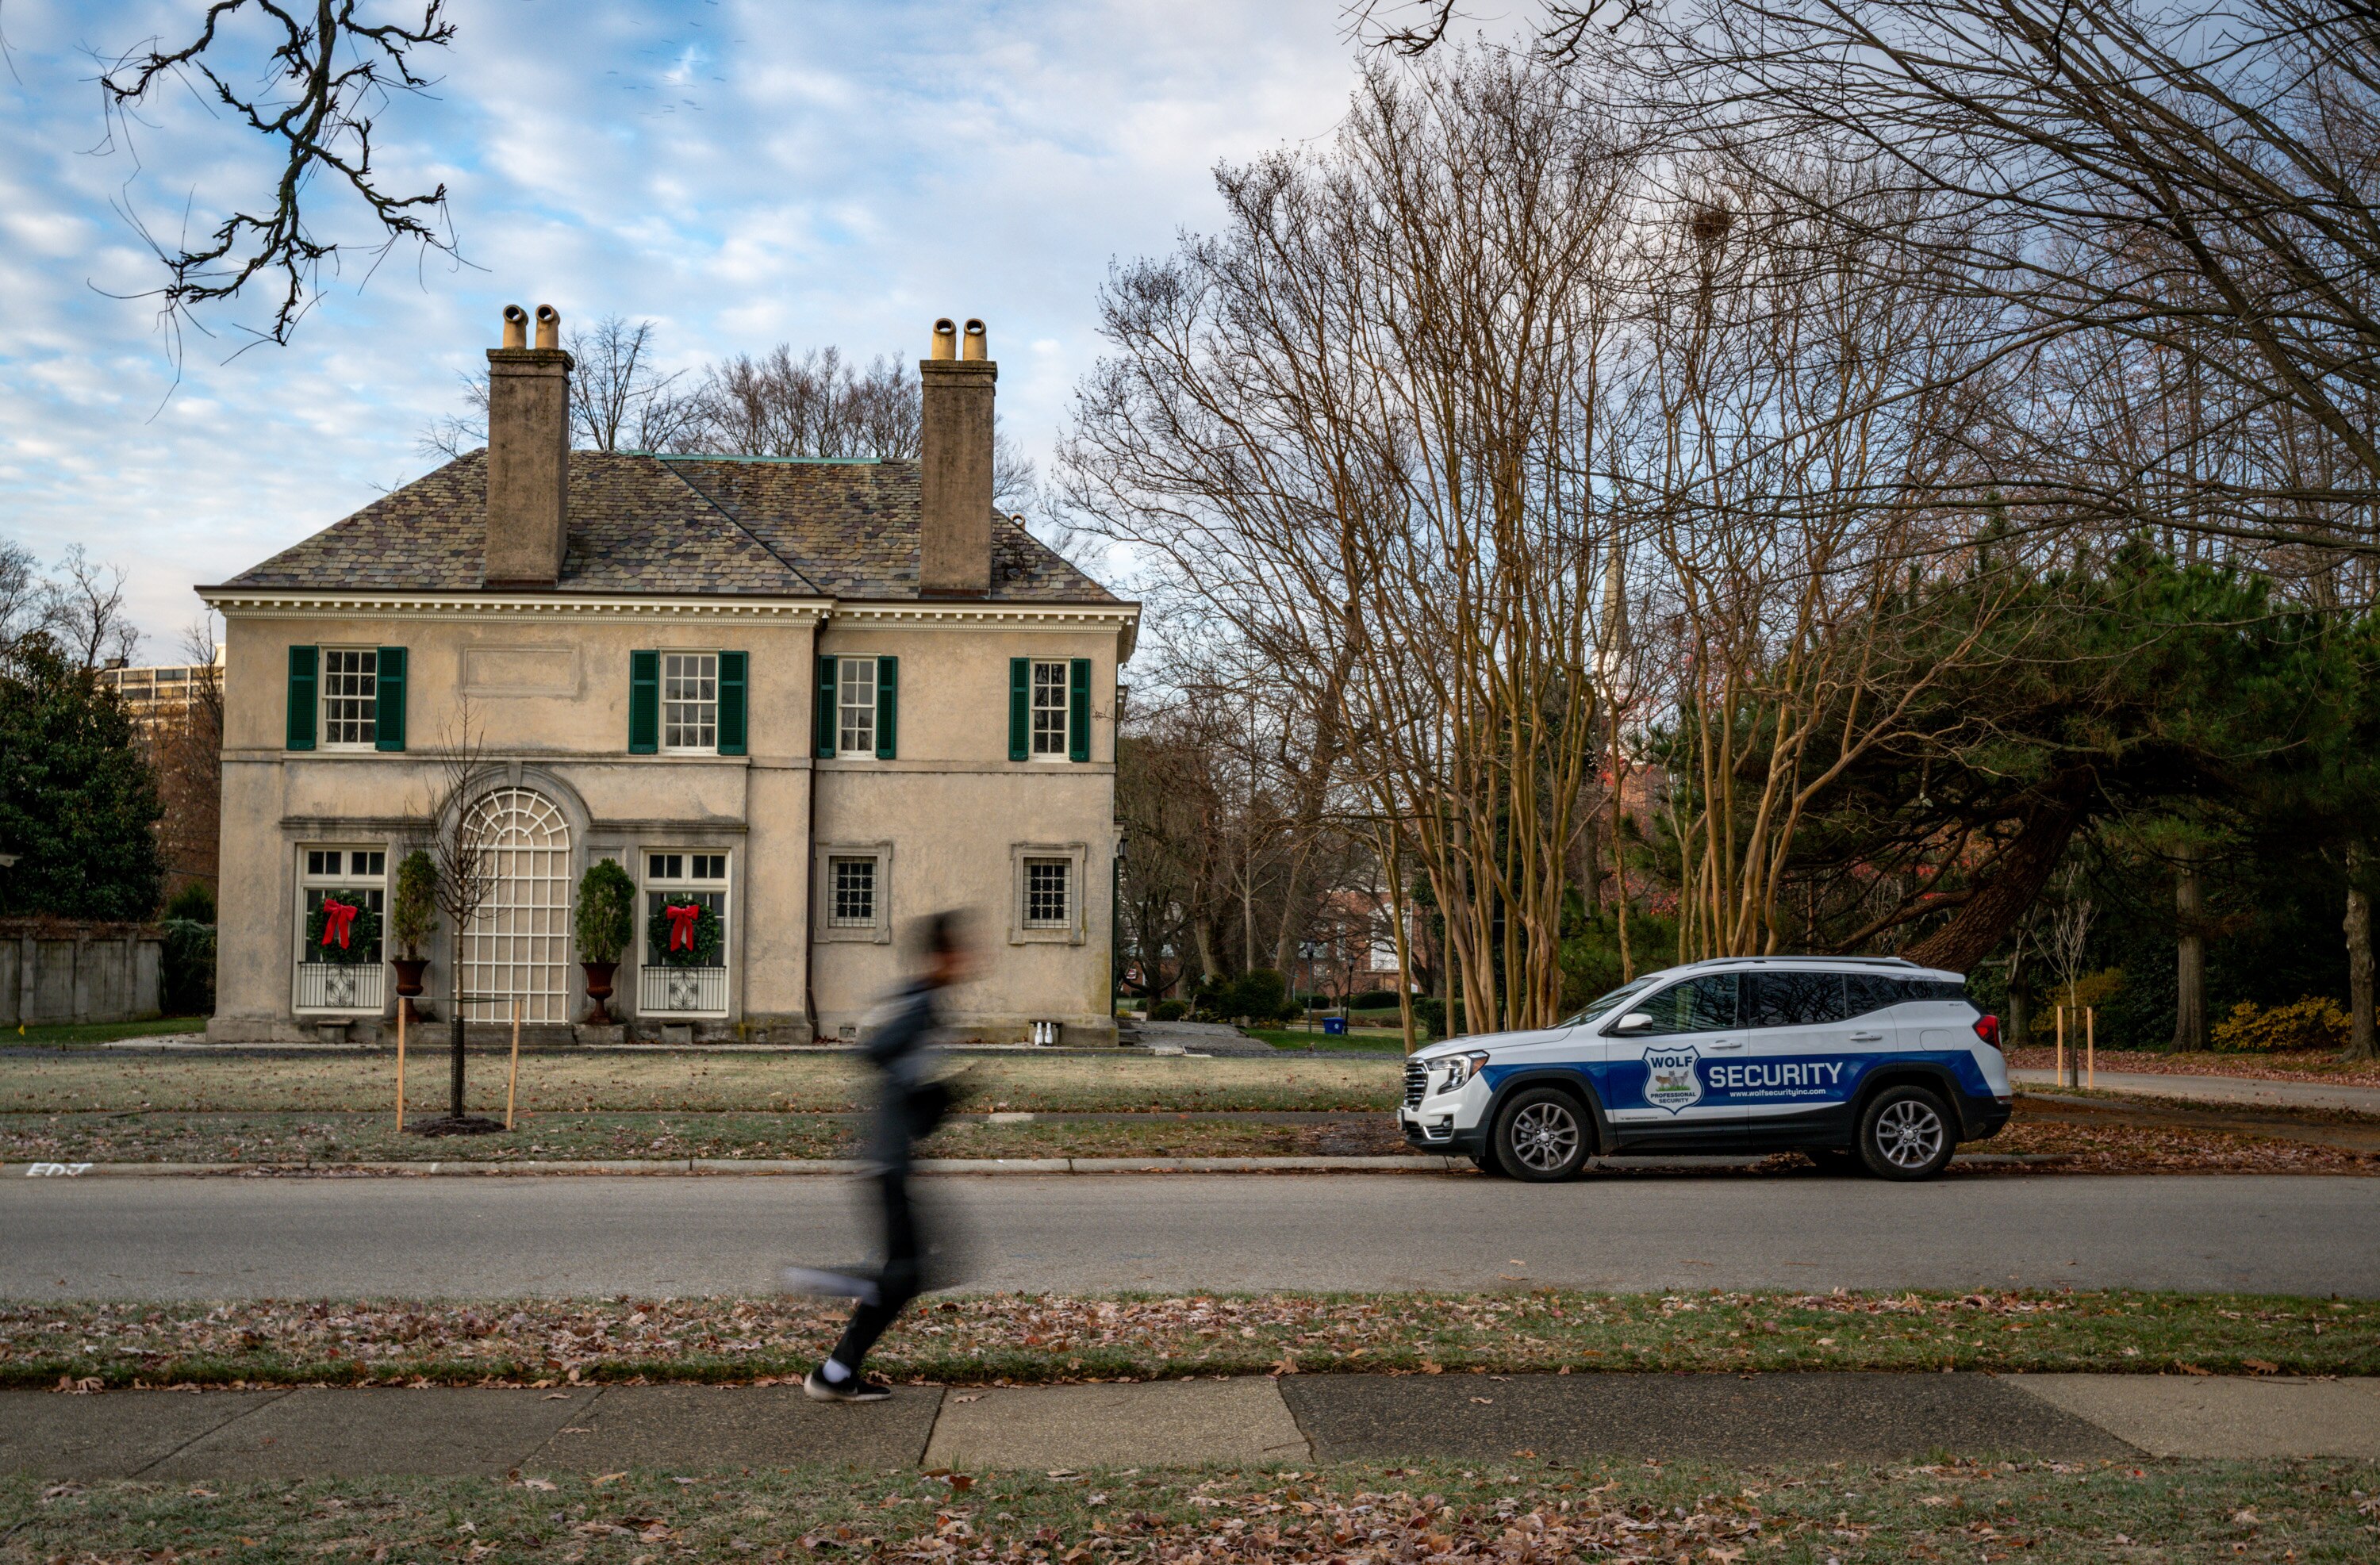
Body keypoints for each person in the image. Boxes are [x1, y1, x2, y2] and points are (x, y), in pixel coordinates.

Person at [783, 909, 976, 1402]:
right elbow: (877, 1052)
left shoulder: (925, 1001)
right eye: (963, 948)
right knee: (908, 1272)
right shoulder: (921, 1005)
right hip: (887, 1161)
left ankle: (835, 1374)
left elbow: (907, 1081)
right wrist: (924, 1095)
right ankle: (830, 1286)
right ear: (942, 955)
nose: (972, 958)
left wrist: (937, 1098)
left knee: (910, 1272)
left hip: (892, 1159)